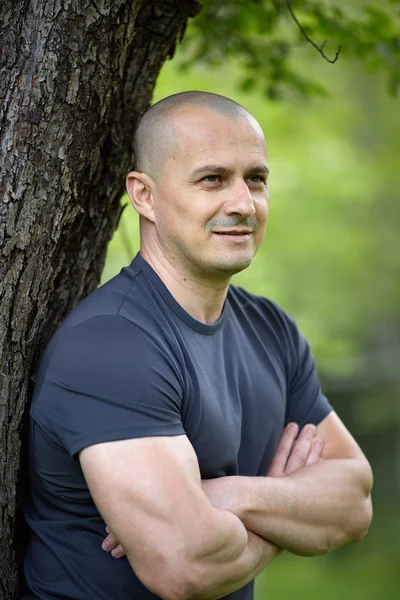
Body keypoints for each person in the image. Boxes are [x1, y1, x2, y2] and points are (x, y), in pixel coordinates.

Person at [22, 91, 373, 600]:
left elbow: (354, 504)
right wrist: (289, 512)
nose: (242, 204)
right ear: (144, 195)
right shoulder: (111, 344)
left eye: (256, 178)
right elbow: (184, 565)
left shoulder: (269, 329)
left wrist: (231, 497)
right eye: (212, 179)